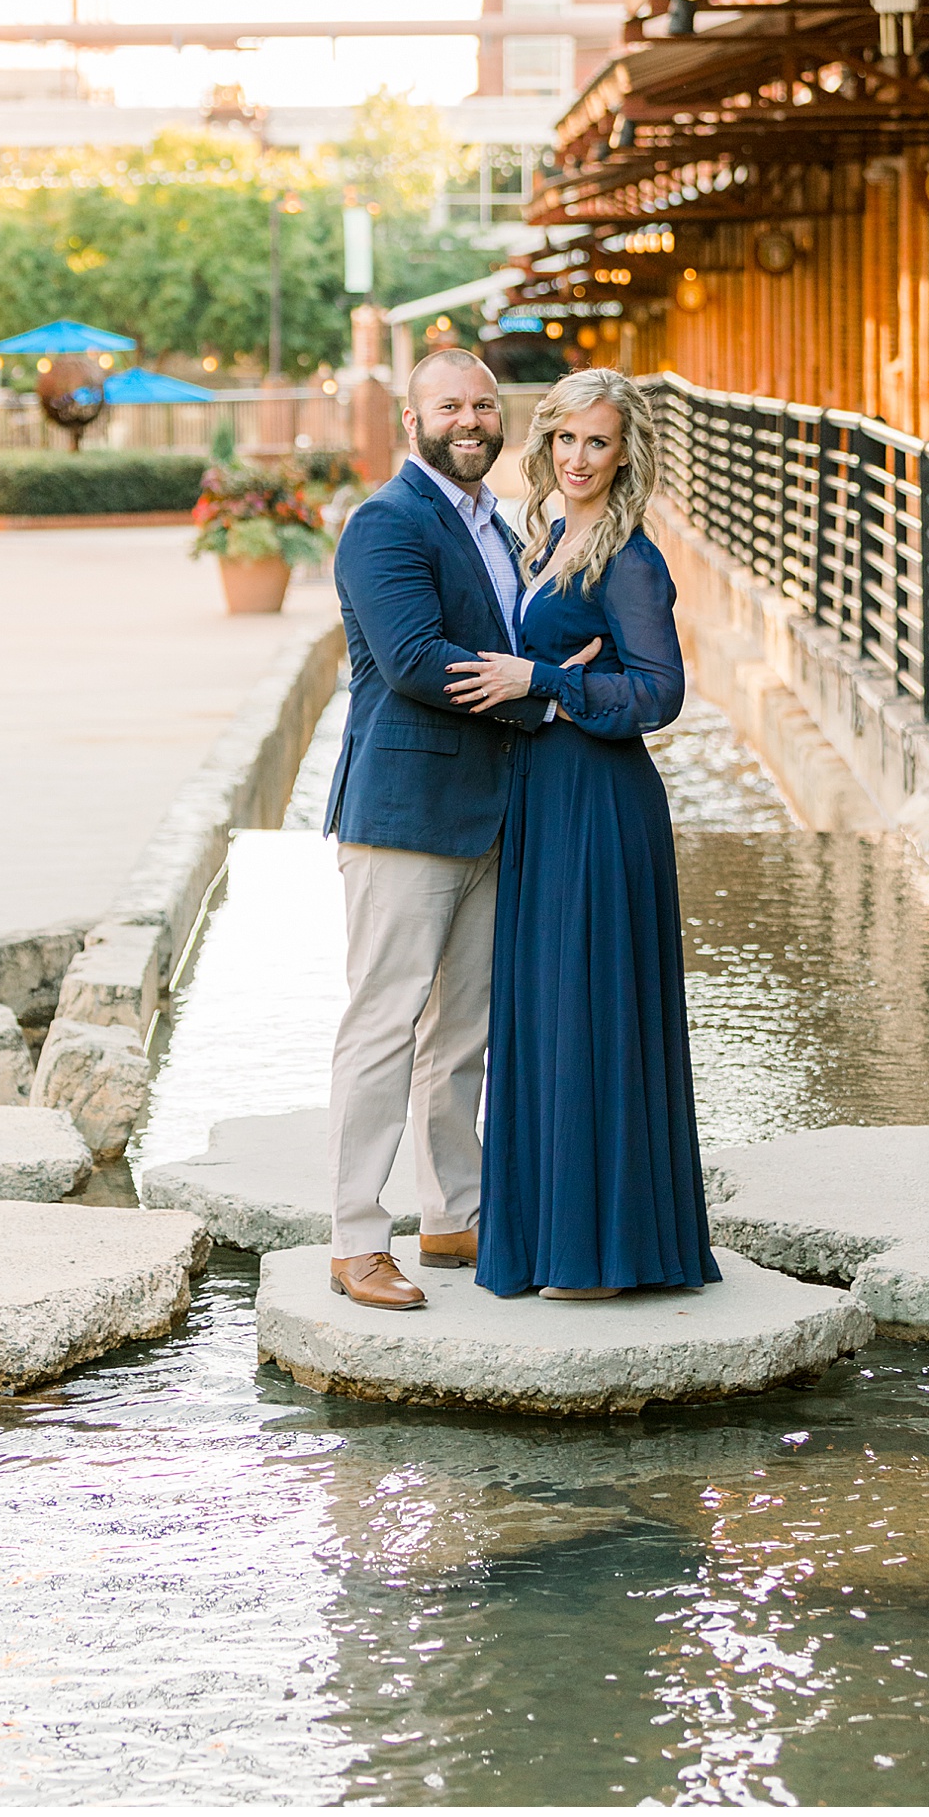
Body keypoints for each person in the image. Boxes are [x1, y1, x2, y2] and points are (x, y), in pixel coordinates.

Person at [324, 350, 596, 1312]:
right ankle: (357, 1239)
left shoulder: (504, 528)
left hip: (493, 815)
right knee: (383, 1026)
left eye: (484, 403)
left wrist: (547, 669)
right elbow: (414, 661)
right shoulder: (386, 523)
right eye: (451, 405)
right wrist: (546, 701)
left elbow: (517, 642)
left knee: (461, 1033)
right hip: (404, 817)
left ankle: (454, 1218)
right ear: (414, 419)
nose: (471, 419)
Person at [446, 367, 720, 1301]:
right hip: (544, 798)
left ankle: (604, 1252)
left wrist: (549, 683)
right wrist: (544, 679)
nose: (577, 457)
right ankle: (547, 1240)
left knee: (587, 1010)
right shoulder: (548, 536)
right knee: (544, 1009)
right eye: (564, 438)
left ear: (625, 453)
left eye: (597, 442)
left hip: (602, 807)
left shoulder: (630, 559)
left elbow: (660, 693)